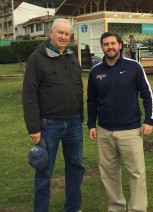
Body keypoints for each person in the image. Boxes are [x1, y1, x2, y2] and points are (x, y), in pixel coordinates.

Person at [87, 32, 153, 212]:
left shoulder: (134, 67)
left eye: (113, 43)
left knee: (136, 173)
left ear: (120, 45)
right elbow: (92, 100)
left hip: (131, 130)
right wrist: (91, 124)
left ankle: (137, 209)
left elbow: (147, 94)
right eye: (105, 44)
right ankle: (116, 206)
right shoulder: (95, 72)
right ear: (101, 47)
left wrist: (149, 120)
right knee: (109, 173)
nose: (110, 47)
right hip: (104, 131)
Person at [22, 18, 84, 212]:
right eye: (60, 33)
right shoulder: (37, 58)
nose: (64, 37)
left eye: (67, 34)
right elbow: (29, 95)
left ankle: (73, 208)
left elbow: (77, 87)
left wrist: (80, 116)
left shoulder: (72, 56)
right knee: (44, 171)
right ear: (51, 33)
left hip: (73, 123)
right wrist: (34, 127)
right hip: (49, 125)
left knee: (76, 168)